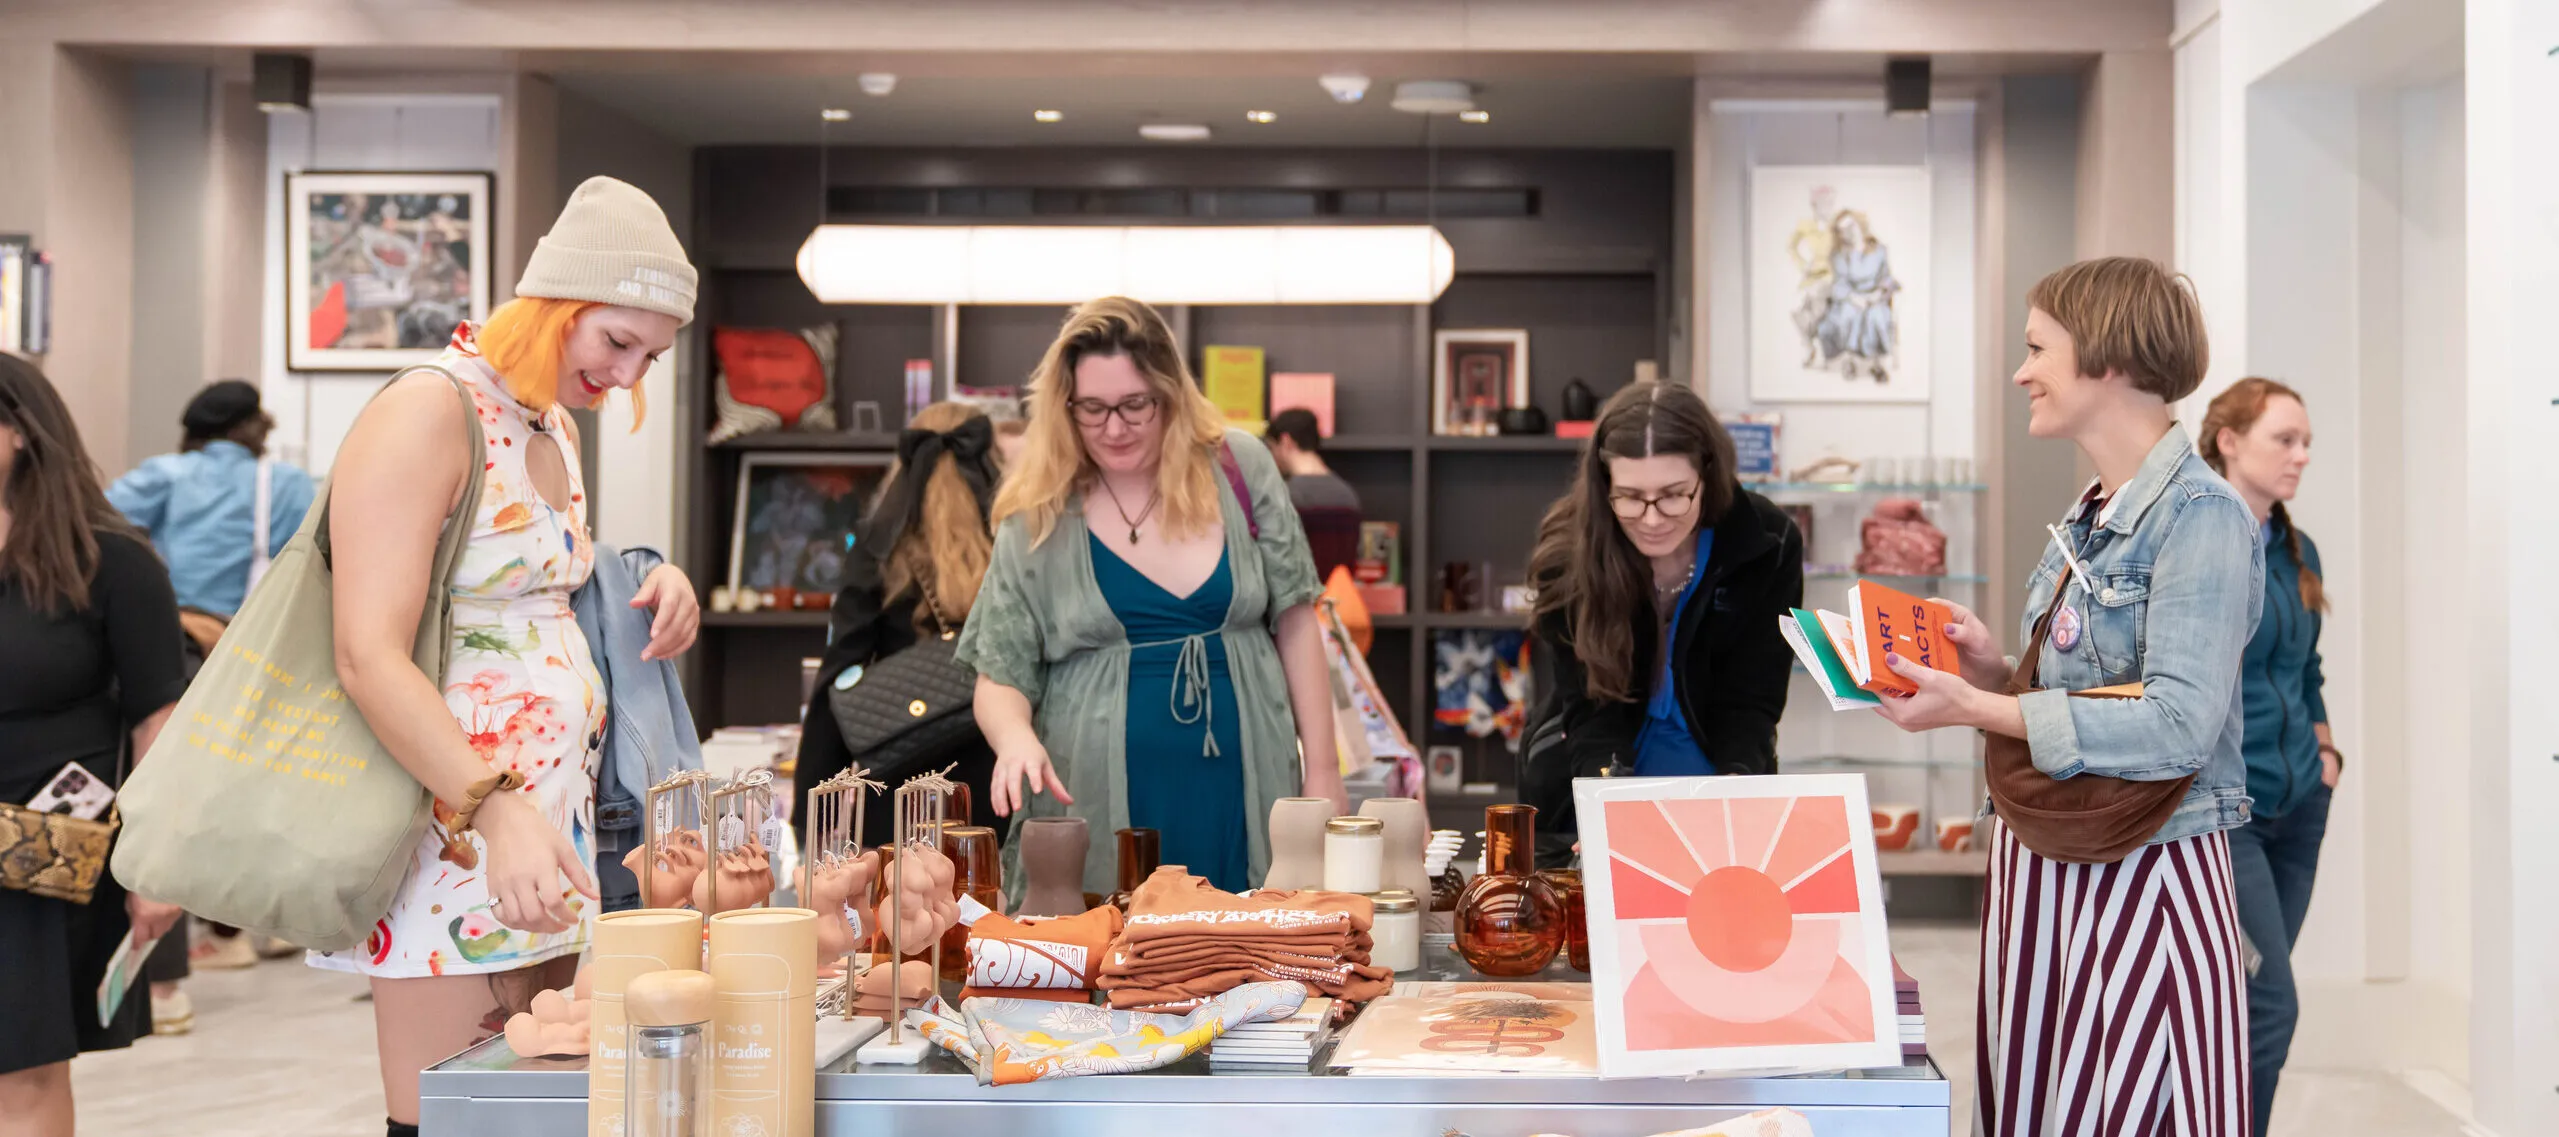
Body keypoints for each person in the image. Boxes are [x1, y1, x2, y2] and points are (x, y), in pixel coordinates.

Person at [308, 176, 703, 1137]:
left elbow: (525, 594)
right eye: (617, 341)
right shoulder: (429, 409)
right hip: (452, 822)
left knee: (538, 1105)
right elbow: (367, 652)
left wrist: (648, 581)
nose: (628, 376)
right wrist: (490, 805)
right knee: (455, 1112)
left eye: (650, 357)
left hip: (545, 826)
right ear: (558, 303)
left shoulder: (545, 421)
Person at [1871, 257, 2258, 1136]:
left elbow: (2174, 723)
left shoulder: (2201, 515)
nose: (2021, 372)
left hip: (2143, 874)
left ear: (2109, 359)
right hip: (2048, 871)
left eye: (2037, 347)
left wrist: (1980, 710)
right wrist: (1989, 666)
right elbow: (2094, 688)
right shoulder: (2092, 507)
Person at [957, 296, 1340, 899]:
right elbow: (1000, 669)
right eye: (1093, 408)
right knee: (1111, 963)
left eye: (1135, 405)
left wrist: (1323, 774)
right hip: (1092, 794)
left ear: (1170, 394)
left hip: (1244, 787)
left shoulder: (1239, 467)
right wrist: (1014, 739)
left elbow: (1296, 622)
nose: (1114, 428)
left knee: (1250, 953)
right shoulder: (1039, 512)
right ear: (1065, 407)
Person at [0, 354, 190, 1137]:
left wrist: (156, 862)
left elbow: (160, 719)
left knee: (24, 1069)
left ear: (15, 432)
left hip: (35, 855)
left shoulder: (111, 560)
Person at [1517, 381, 1804, 866]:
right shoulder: (1568, 553)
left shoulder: (1766, 543)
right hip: (1584, 784)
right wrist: (1606, 803)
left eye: (1674, 496)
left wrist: (1736, 787)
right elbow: (1589, 708)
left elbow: (1752, 699)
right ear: (1603, 484)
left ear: (1707, 476)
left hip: (1717, 783)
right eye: (1629, 497)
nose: (1651, 519)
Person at [106, 379, 318, 975]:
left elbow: (95, 523)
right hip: (261, 646)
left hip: (177, 645)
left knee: (184, 785)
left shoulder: (165, 477)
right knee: (255, 782)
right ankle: (254, 920)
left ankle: (208, 939)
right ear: (254, 430)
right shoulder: (287, 483)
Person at [2199, 377, 2335, 1137]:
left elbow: (2304, 671)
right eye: (2285, 439)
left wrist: (2324, 752)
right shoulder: (2198, 541)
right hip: (2231, 815)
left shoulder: (2294, 548)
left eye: (2305, 441)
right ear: (2228, 440)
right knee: (2270, 999)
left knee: (2248, 999)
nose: (2301, 456)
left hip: (2299, 807)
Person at [796, 401, 1007, 849]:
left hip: (899, 780)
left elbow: (841, 671)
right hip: (996, 773)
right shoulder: (1013, 540)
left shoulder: (879, 547)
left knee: (900, 912)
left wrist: (811, 811)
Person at [1262, 408, 1362, 580]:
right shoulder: (1348, 495)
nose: (1273, 456)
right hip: (1338, 603)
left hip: (1301, 603)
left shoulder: (1286, 495)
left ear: (1286, 441)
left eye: (1272, 447)